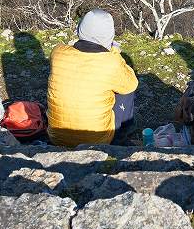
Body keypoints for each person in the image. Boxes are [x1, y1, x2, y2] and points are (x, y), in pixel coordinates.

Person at [47, 9, 138, 147]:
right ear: (109, 35)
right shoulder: (111, 62)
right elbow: (132, 83)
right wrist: (114, 52)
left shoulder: (57, 52)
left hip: (57, 137)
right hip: (97, 140)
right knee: (125, 87)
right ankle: (120, 137)